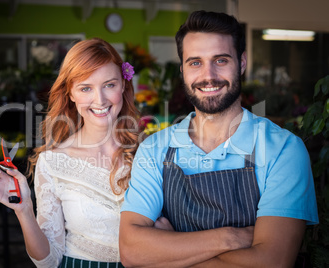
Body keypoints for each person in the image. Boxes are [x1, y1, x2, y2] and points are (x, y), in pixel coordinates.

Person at [119, 10, 319, 267]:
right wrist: (231, 237)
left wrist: (172, 247)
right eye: (195, 62)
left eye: (221, 60)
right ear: (182, 70)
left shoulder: (283, 149)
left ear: (242, 63)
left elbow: (273, 261)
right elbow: (132, 252)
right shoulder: (154, 149)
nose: (208, 75)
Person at [0, 38, 142, 267]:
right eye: (85, 88)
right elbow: (48, 261)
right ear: (70, 94)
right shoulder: (53, 162)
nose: (100, 100)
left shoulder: (148, 151)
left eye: (109, 85)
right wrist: (24, 209)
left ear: (123, 85)